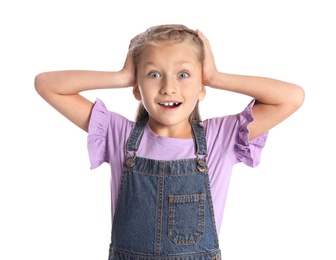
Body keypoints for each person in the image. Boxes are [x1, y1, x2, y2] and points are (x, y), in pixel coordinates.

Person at [34, 24, 304, 260]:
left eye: (184, 74)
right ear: (138, 89)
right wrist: (122, 76)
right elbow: (46, 84)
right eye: (153, 74)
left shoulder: (220, 137)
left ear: (201, 87)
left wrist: (214, 77)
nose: (168, 87)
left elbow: (292, 96)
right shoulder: (118, 134)